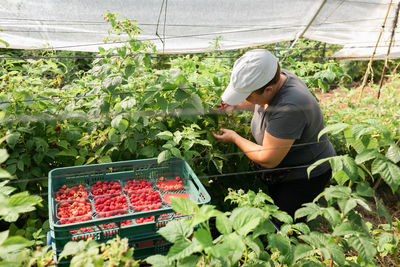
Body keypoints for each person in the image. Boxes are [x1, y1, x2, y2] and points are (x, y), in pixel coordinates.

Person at [212, 49, 336, 218]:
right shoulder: (277, 77)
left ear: (268, 89)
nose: (246, 100)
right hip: (285, 170)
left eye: (247, 96)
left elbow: (268, 159)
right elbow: (263, 101)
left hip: (303, 176)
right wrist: (237, 105)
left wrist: (235, 137)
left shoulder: (290, 107)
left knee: (284, 224)